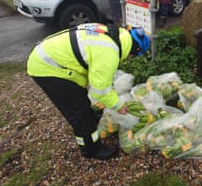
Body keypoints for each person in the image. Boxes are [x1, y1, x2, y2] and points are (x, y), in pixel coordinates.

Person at [27, 23, 150, 161]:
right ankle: (91, 149)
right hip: (49, 68)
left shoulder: (111, 34)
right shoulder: (110, 53)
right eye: (132, 56)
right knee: (79, 111)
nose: (128, 59)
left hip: (51, 56)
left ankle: (90, 125)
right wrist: (119, 106)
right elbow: (100, 91)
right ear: (133, 49)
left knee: (82, 103)